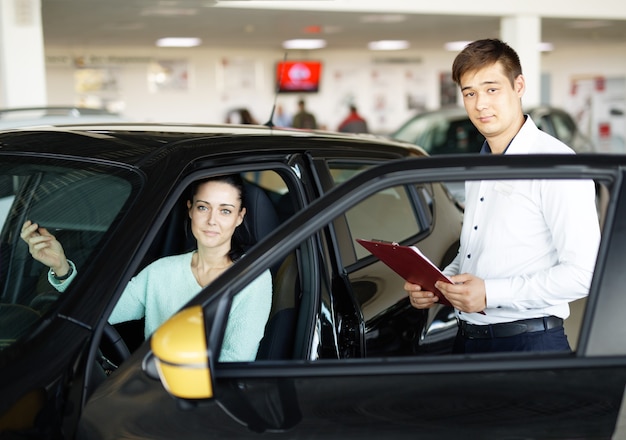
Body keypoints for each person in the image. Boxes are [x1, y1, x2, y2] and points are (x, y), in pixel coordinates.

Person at [404, 38, 600, 353]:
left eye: (492, 89)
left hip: (529, 345)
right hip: (468, 341)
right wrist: (440, 283)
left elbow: (584, 274)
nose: (480, 104)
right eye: (470, 93)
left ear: (518, 85)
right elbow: (476, 253)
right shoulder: (480, 165)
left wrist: (491, 294)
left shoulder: (556, 164)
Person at [20, 174, 272, 362]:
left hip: (208, 405)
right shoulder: (161, 272)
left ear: (240, 217)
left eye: (225, 211)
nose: (212, 220)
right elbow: (101, 311)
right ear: (190, 210)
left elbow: (236, 361)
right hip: (149, 394)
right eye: (203, 207)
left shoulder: (252, 278)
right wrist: (62, 266)